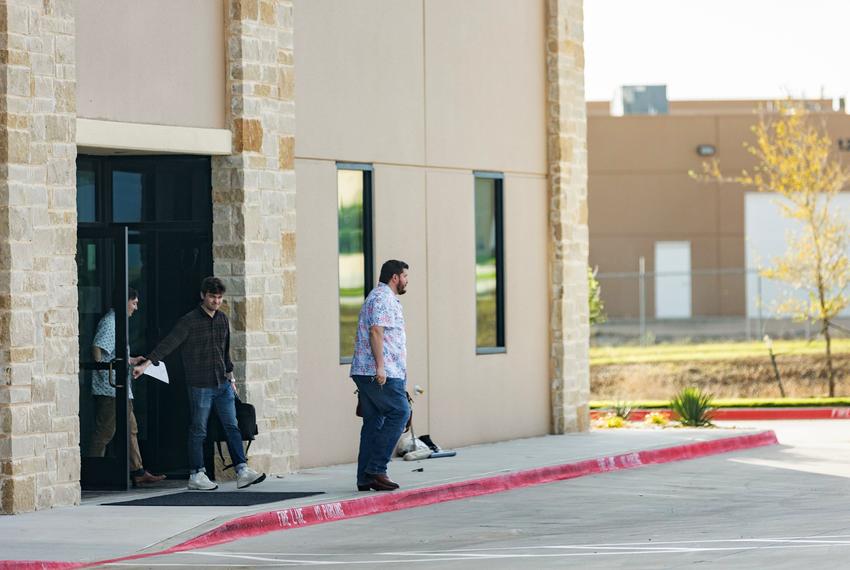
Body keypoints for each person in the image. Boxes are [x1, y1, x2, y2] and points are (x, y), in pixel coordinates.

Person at [132, 276, 265, 491]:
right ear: (203, 296)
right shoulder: (189, 321)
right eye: (212, 297)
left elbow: (225, 352)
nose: (216, 301)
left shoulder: (222, 320)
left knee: (232, 426)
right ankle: (197, 474)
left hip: (222, 384)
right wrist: (146, 364)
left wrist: (231, 378)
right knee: (199, 429)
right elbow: (168, 344)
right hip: (200, 384)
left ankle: (242, 470)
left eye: (220, 298)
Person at [89, 287, 166, 487]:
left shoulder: (118, 322)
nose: (136, 307)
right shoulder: (111, 322)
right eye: (134, 302)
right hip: (111, 389)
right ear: (125, 302)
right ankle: (92, 471)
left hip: (120, 388)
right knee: (105, 432)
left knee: (131, 428)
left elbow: (112, 353)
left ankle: (138, 471)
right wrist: (103, 373)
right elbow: (98, 348)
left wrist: (131, 360)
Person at [350, 259, 411, 492]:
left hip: (372, 371)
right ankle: (376, 469)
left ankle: (365, 477)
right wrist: (381, 367)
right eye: (405, 277)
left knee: (374, 422)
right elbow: (376, 331)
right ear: (395, 277)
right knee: (400, 411)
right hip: (379, 372)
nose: (406, 281)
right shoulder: (383, 298)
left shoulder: (379, 297)